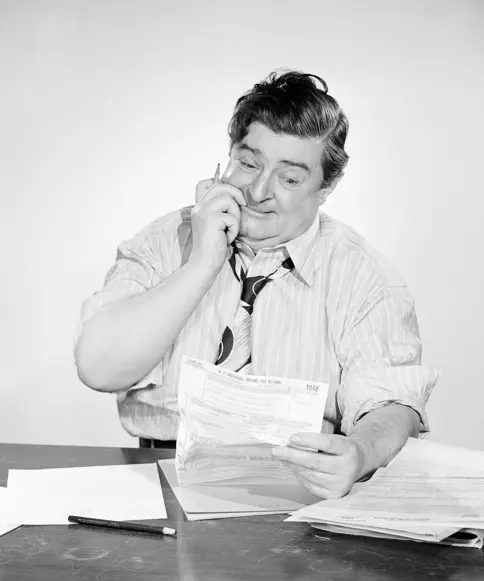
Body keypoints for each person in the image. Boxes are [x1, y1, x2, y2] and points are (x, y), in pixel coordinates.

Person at [74, 70, 438, 500]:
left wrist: (358, 453)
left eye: (289, 178)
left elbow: (392, 403)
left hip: (299, 487)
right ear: (228, 156)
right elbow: (98, 369)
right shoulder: (165, 241)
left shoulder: (365, 277)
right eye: (248, 164)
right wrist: (201, 265)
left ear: (327, 187)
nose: (259, 191)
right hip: (160, 478)